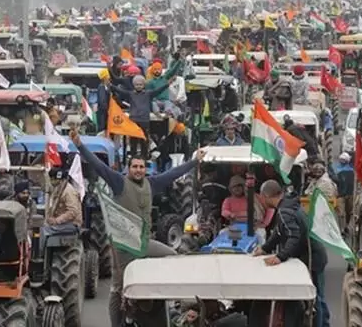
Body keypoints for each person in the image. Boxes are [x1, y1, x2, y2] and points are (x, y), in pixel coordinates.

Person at [71, 127, 204, 327]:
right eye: (135, 166)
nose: (138, 170)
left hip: (143, 242)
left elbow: (173, 173)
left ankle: (161, 303)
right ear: (128, 168)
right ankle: (116, 323)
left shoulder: (152, 183)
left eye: (141, 167)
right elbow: (98, 166)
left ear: (146, 168)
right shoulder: (119, 182)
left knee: (172, 256)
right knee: (118, 287)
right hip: (123, 245)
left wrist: (195, 161)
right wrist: (80, 145)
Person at [252, 180, 329, 327]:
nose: (261, 200)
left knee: (314, 298)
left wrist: (280, 257)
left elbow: (294, 235)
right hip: (314, 254)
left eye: (261, 197)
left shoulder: (284, 211)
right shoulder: (287, 205)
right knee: (318, 297)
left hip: (312, 258)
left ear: (266, 196)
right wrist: (265, 248)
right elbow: (279, 232)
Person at [111, 74, 174, 159]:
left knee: (144, 141)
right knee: (133, 141)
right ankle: (133, 158)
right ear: (134, 85)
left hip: (144, 121)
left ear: (144, 85)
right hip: (133, 121)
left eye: (140, 84)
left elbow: (158, 90)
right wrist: (110, 86)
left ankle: (144, 158)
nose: (139, 86)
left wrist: (167, 84)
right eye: (137, 85)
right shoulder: (130, 94)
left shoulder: (148, 94)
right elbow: (120, 91)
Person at [40, 165, 83, 252]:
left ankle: (40, 255)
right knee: (41, 227)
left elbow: (72, 212)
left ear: (58, 179)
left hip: (71, 224)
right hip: (62, 224)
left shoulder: (68, 191)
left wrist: (56, 220)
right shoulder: (58, 189)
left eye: (52, 179)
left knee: (44, 231)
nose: (51, 181)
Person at [219, 175, 269, 242]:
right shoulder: (228, 200)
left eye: (239, 185)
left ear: (244, 186)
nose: (237, 188)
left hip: (254, 227)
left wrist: (265, 223)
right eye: (234, 186)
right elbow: (224, 211)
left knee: (261, 233)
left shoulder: (254, 197)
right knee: (223, 233)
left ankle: (260, 251)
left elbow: (270, 207)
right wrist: (230, 214)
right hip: (235, 227)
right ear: (230, 189)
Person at [332, 152, 355, 229]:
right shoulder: (336, 169)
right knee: (341, 213)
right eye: (341, 160)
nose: (342, 161)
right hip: (340, 195)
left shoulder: (352, 171)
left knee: (349, 212)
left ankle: (346, 226)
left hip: (350, 194)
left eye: (343, 160)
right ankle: (341, 229)